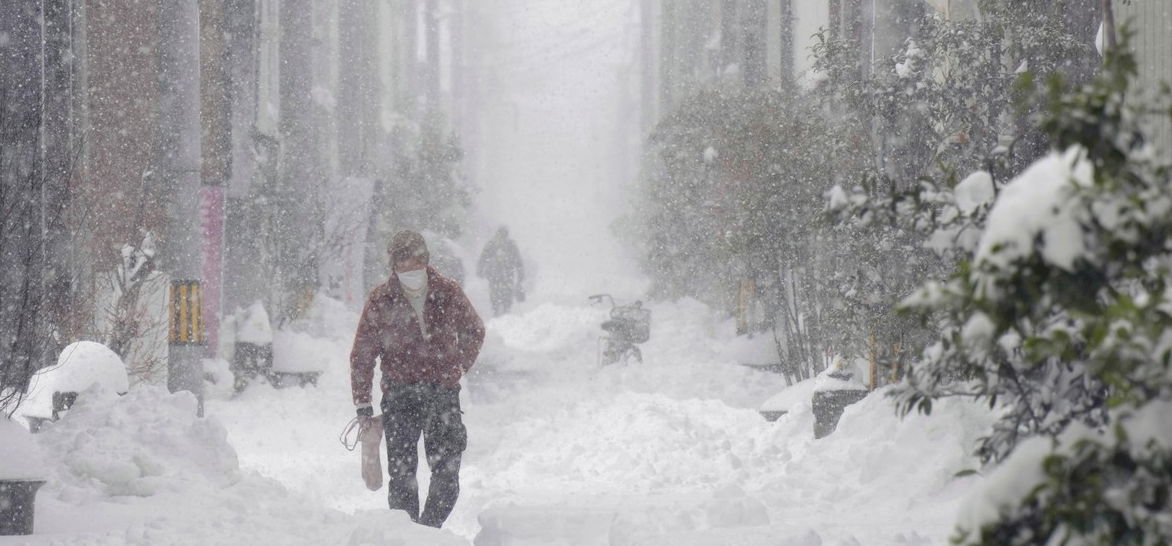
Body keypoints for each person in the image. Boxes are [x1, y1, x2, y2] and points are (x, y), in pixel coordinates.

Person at [349, 230, 485, 528]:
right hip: (400, 395)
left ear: (425, 259)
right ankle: (407, 535)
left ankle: (428, 531)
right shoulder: (381, 300)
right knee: (402, 475)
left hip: (442, 394)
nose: (410, 268)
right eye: (403, 263)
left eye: (416, 261)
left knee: (447, 472)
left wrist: (458, 365)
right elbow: (362, 354)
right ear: (393, 265)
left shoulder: (448, 292)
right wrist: (362, 403)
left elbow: (474, 329)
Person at [476, 226, 524, 316]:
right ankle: (505, 310)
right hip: (506, 274)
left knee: (495, 292)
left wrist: (480, 270)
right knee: (506, 293)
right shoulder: (510, 245)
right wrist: (520, 277)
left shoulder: (491, 244)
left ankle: (497, 309)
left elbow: (483, 258)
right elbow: (518, 262)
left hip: (495, 274)